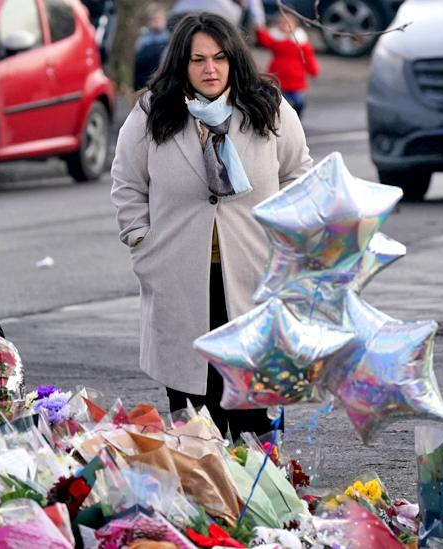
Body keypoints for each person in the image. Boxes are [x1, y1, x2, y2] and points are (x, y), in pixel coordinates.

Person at [111, 13, 312, 438]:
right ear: (181, 64)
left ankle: (260, 498)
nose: (210, 69)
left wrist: (288, 241)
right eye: (198, 59)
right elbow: (127, 184)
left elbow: (299, 176)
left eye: (219, 58)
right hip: (181, 282)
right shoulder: (152, 113)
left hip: (256, 280)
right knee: (195, 424)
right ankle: (206, 498)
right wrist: (141, 242)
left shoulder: (268, 106)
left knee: (255, 419)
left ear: (233, 59)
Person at [256, 13, 319, 116]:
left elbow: (308, 58)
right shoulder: (276, 39)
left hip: (295, 77)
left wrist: (313, 70)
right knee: (277, 100)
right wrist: (260, 30)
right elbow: (264, 41)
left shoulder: (301, 42)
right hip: (278, 75)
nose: (284, 26)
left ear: (294, 25)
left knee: (298, 100)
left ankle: (297, 116)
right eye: (281, 24)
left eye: (287, 24)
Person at [134, 3, 170, 91]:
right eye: (153, 19)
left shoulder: (171, 39)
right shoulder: (142, 41)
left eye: (158, 18)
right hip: (143, 84)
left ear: (164, 20)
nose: (156, 21)